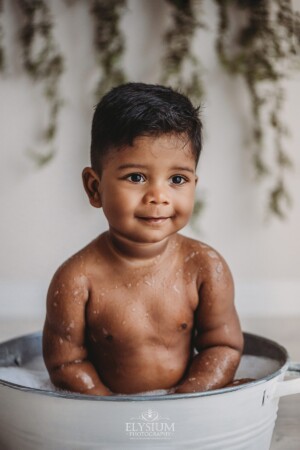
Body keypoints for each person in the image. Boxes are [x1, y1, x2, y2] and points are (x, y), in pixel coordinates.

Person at [42, 82, 244, 396]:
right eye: (136, 177)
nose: (158, 196)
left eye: (177, 179)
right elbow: (65, 363)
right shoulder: (77, 280)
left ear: (194, 183)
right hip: (107, 412)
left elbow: (223, 345)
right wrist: (108, 408)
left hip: (183, 406)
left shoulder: (205, 267)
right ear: (95, 188)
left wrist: (190, 395)